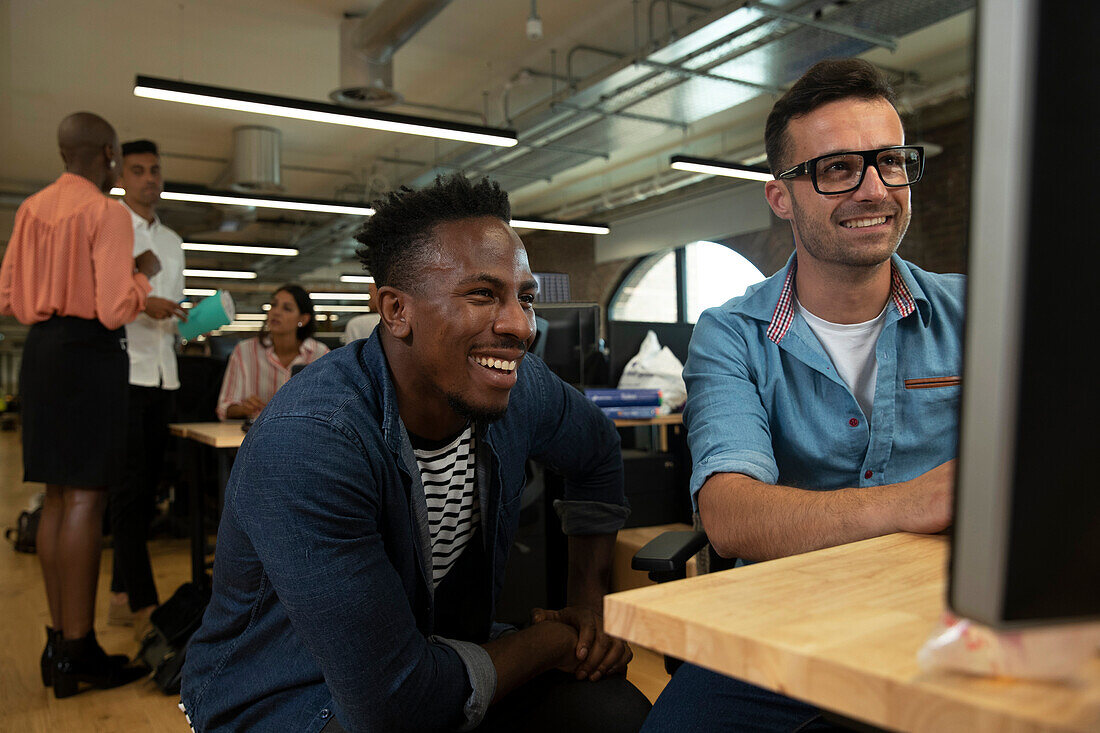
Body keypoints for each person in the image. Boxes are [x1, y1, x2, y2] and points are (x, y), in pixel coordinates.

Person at [180, 174, 651, 732]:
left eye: (524, 297)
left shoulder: (517, 387)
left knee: (617, 714)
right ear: (396, 311)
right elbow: (394, 708)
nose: (521, 326)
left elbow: (597, 450)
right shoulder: (310, 442)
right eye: (483, 295)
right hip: (290, 693)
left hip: (436, 651)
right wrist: (555, 638)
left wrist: (589, 609)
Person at [641, 59, 965, 731]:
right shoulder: (732, 334)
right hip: (785, 627)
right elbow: (731, 515)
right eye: (838, 168)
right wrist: (919, 501)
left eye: (890, 162)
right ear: (781, 196)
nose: (874, 189)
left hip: (950, 615)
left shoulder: (982, 312)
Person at [0, 112, 160, 698]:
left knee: (58, 496)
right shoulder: (106, 212)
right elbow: (116, 306)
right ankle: (82, 647)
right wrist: (142, 280)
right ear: (109, 155)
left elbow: (8, 295)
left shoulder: (30, 209)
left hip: (40, 353)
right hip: (89, 354)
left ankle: (58, 644)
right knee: (88, 499)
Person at [107, 139, 187, 636]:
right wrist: (143, 305)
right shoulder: (110, 229)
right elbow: (104, 299)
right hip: (124, 370)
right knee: (129, 489)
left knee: (149, 485)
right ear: (122, 176)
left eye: (155, 169)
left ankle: (120, 593)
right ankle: (140, 601)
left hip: (165, 371)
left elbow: (172, 307)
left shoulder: (174, 241)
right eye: (138, 170)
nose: (149, 178)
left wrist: (191, 317)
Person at [214, 283, 329, 420]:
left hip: (304, 435)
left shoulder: (321, 355)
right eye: (273, 305)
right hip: (256, 435)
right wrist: (243, 409)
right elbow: (224, 407)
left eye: (287, 308)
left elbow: (329, 408)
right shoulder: (244, 351)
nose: (276, 312)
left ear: (303, 319)